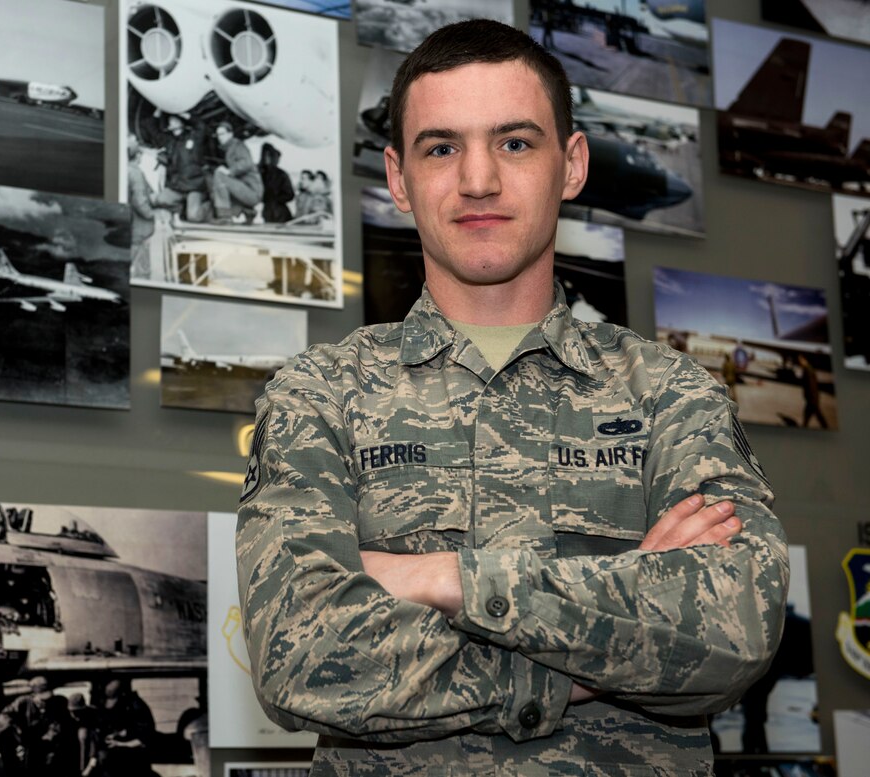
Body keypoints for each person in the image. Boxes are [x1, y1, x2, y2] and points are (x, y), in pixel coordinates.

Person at [236, 19, 788, 776]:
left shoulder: (673, 394)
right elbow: (300, 658)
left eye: (515, 143)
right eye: (441, 147)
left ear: (572, 163)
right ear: (398, 178)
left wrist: (443, 578)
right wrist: (609, 634)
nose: (478, 180)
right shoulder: (322, 394)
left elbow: (737, 626)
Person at [0, 676, 72, 777]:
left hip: (43, 742)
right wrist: (17, 736)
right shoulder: (22, 703)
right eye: (41, 700)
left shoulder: (56, 703)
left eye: (48, 699)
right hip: (23, 741)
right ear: (34, 695)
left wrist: (49, 737)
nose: (44, 704)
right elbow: (4, 718)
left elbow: (57, 724)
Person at [94, 679, 159, 777]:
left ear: (123, 695)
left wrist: (120, 744)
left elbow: (145, 739)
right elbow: (126, 729)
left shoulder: (137, 708)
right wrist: (116, 734)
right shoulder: (120, 709)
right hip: (117, 763)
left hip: (134, 764)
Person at [153, 113, 208, 223]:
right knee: (160, 199)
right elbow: (152, 131)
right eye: (170, 121)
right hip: (177, 187)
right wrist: (157, 114)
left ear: (181, 122)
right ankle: (181, 208)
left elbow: (201, 126)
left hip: (194, 186)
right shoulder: (169, 141)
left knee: (193, 216)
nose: (171, 122)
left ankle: (209, 205)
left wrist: (185, 114)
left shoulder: (193, 137)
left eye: (175, 120)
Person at [210, 121, 263, 224]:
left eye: (222, 134)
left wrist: (230, 171)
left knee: (219, 174)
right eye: (218, 135)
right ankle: (249, 212)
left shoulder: (238, 146)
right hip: (247, 189)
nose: (219, 137)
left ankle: (224, 216)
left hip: (251, 190)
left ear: (230, 134)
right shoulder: (231, 147)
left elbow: (246, 163)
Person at [127, 133, 156, 280]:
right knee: (142, 266)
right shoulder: (136, 173)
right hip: (141, 227)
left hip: (131, 223)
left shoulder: (126, 170)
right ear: (137, 155)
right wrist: (152, 215)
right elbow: (140, 201)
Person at [258, 142, 295, 224]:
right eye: (265, 155)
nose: (266, 158)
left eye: (269, 155)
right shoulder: (260, 173)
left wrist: (274, 199)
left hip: (280, 213)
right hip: (268, 211)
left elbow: (290, 195)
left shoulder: (281, 174)